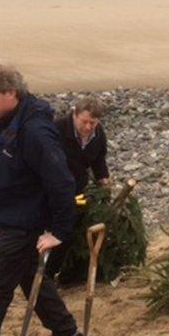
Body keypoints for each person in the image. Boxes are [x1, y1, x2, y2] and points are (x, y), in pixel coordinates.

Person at [0, 60, 84, 336]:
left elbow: (62, 182)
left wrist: (59, 232)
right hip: (16, 216)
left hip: (22, 227)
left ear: (10, 92)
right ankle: (68, 334)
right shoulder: (11, 121)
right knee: (31, 278)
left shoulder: (36, 131)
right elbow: (18, 170)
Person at [46, 96, 112, 279]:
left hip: (78, 192)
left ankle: (53, 273)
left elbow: (99, 161)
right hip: (52, 191)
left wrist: (103, 180)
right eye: (84, 122)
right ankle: (40, 272)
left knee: (71, 226)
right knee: (54, 229)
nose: (88, 127)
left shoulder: (98, 135)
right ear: (74, 115)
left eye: (93, 123)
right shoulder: (56, 129)